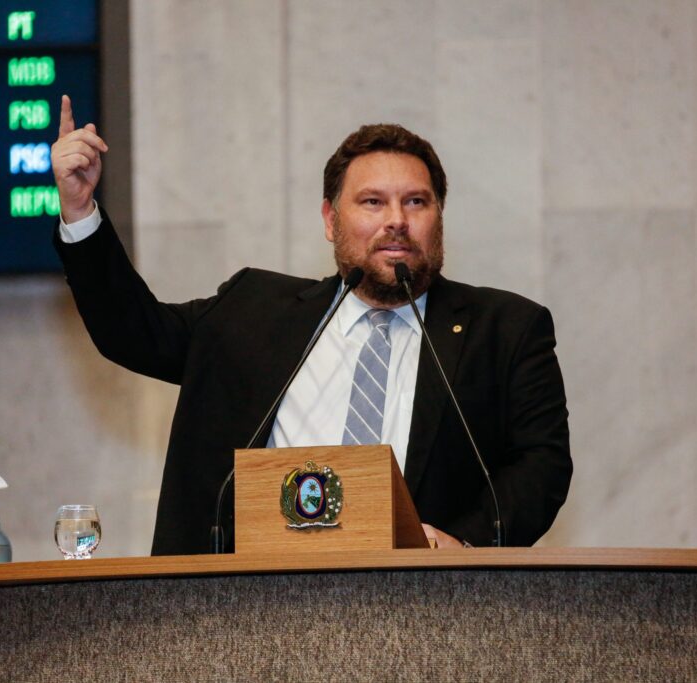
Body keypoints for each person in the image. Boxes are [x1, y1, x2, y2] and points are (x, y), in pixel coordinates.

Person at [52, 95, 572, 554]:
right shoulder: (254, 310)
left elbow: (541, 464)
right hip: (242, 611)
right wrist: (79, 212)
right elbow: (135, 334)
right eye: (372, 202)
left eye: (415, 201)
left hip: (423, 608)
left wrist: (461, 542)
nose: (396, 219)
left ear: (438, 216)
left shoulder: (505, 330)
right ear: (330, 219)